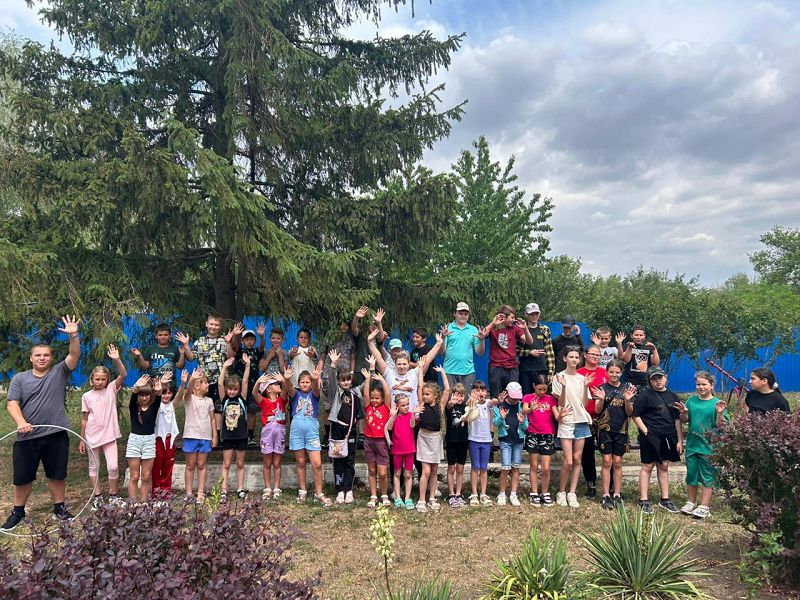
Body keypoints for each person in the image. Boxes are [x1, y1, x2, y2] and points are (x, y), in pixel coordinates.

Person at [3, 315, 81, 531]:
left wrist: (73, 335)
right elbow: (11, 404)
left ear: (51, 357)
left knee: (57, 474)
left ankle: (60, 509)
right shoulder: (19, 378)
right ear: (31, 358)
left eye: (46, 355)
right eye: (38, 355)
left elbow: (74, 354)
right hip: (27, 436)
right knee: (22, 478)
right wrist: (21, 422)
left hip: (56, 434)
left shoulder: (59, 372)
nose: (42, 358)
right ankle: (18, 512)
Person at [79, 344, 127, 509]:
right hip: (92, 436)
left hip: (109, 435)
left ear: (107, 380)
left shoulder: (111, 389)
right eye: (97, 379)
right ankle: (98, 497)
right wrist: (82, 439)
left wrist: (117, 360)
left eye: (103, 379)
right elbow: (84, 419)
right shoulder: (86, 396)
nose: (100, 382)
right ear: (91, 380)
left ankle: (113, 496)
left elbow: (123, 374)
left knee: (113, 466)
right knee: (94, 467)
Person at [677, 371, 729, 519]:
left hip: (709, 447)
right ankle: (690, 502)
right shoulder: (691, 401)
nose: (701, 387)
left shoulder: (717, 404)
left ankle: (704, 506)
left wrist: (719, 414)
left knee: (708, 475)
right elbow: (685, 419)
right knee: (691, 474)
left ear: (712, 385)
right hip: (692, 445)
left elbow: (722, 426)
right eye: (698, 384)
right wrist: (684, 412)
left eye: (704, 384)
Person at [632, 366, 683, 514]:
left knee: (664, 466)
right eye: (654, 379)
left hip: (668, 436)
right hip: (650, 436)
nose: (658, 381)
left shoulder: (673, 396)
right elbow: (635, 415)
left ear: (665, 378)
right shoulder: (645, 395)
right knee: (648, 466)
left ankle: (665, 499)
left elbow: (677, 419)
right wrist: (646, 431)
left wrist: (679, 440)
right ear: (650, 381)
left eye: (660, 377)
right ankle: (643, 499)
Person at [281, 361, 330, 506]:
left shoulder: (314, 395)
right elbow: (289, 388)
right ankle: (302, 490)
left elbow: (315, 388)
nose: (305, 384)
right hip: (297, 431)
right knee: (301, 462)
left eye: (307, 382)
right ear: (299, 383)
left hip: (311, 431)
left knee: (317, 464)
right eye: (302, 382)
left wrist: (315, 379)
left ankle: (319, 492)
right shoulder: (295, 394)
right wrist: (287, 379)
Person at [178, 315, 231, 444]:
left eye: (216, 325)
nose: (213, 327)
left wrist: (229, 343)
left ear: (220, 327)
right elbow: (191, 357)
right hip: (203, 381)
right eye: (211, 324)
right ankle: (202, 434)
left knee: (218, 407)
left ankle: (217, 435)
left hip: (219, 381)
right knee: (202, 406)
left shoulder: (223, 340)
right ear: (206, 324)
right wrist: (186, 345)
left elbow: (230, 356)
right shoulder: (200, 341)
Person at [552, 348, 592, 508]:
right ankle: (561, 492)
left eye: (576, 357)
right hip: (567, 421)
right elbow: (560, 403)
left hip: (581, 421)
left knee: (577, 459)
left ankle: (572, 493)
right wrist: (563, 387)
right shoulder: (559, 377)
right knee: (568, 461)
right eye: (571, 357)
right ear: (565, 359)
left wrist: (586, 387)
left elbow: (585, 404)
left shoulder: (582, 378)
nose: (574, 359)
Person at [591, 360, 635, 510]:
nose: (614, 374)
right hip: (605, 430)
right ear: (607, 372)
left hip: (621, 430)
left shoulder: (627, 389)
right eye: (611, 372)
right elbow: (597, 411)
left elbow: (629, 412)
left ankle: (616, 493)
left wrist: (627, 401)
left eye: (617, 372)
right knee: (606, 462)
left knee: (617, 462)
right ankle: (605, 495)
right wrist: (601, 399)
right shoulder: (601, 388)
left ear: (621, 373)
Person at [325, 349, 366, 504]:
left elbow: (366, 385)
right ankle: (339, 489)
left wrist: (371, 371)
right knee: (338, 460)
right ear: (339, 381)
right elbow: (330, 380)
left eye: (348, 379)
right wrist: (333, 365)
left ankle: (348, 489)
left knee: (350, 460)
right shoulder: (336, 392)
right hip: (337, 429)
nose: (346, 382)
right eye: (342, 380)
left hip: (351, 431)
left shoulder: (355, 392)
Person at [127, 373, 170, 503]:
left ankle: (144, 502)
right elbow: (133, 395)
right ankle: (133, 503)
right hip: (134, 440)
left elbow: (158, 394)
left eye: (146, 395)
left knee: (146, 476)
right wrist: (136, 387)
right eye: (141, 395)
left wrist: (161, 385)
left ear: (150, 396)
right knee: (134, 476)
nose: (144, 398)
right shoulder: (133, 407)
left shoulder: (154, 406)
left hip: (149, 441)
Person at [415, 367, 450, 513]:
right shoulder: (421, 404)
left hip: (435, 439)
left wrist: (442, 373)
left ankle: (431, 498)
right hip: (423, 438)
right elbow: (419, 386)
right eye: (423, 394)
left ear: (435, 396)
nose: (424, 396)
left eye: (427, 394)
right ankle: (421, 499)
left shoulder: (440, 406)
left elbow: (447, 389)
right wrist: (420, 370)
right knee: (426, 470)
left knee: (434, 470)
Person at [218, 356, 251, 502]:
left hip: (241, 436)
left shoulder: (242, 398)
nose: (232, 392)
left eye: (235, 389)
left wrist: (248, 365)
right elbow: (220, 383)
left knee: (240, 464)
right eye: (230, 389)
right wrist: (224, 367)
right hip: (228, 437)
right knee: (226, 464)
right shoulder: (225, 399)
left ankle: (240, 488)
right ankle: (224, 490)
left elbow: (245, 381)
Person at [522, 375, 559, 507]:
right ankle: (534, 493)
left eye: (545, 389)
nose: (542, 392)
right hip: (533, 433)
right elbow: (524, 410)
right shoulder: (528, 397)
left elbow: (556, 415)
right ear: (534, 386)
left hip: (547, 434)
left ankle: (545, 492)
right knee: (533, 465)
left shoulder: (551, 399)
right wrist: (531, 409)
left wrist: (561, 415)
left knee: (546, 468)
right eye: (539, 389)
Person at [577, 345, 608, 499]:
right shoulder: (578, 373)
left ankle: (611, 485)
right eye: (593, 354)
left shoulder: (605, 373)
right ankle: (591, 484)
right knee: (587, 453)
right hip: (585, 418)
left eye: (598, 354)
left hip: (604, 419)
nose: (596, 357)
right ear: (585, 355)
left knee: (607, 453)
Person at [182, 369, 217, 503]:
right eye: (205, 383)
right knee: (190, 465)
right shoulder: (189, 399)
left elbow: (212, 419)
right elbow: (187, 392)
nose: (208, 385)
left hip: (205, 437)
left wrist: (214, 435)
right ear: (196, 386)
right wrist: (191, 379)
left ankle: (201, 492)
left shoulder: (209, 401)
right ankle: (189, 492)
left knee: (202, 464)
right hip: (191, 436)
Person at [361, 358, 392, 508]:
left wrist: (382, 380)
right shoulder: (368, 406)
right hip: (369, 441)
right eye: (373, 398)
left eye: (377, 398)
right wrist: (368, 379)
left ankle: (384, 494)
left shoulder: (386, 407)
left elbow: (388, 393)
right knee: (372, 470)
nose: (374, 400)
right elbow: (366, 395)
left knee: (383, 472)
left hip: (381, 442)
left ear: (382, 398)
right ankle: (373, 495)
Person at [484, 305, 533, 398]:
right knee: (496, 396)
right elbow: (482, 334)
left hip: (512, 368)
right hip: (496, 367)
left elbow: (529, 341)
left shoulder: (515, 329)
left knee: (512, 397)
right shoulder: (494, 328)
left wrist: (525, 328)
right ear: (504, 317)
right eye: (512, 317)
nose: (514, 320)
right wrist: (493, 323)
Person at [440, 302, 486, 398]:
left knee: (467, 400)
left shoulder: (473, 329)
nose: (463, 316)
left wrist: (482, 340)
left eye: (466, 314)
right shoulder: (447, 328)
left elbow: (479, 352)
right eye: (460, 313)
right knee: (450, 400)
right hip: (449, 371)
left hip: (468, 371)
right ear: (454, 314)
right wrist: (443, 338)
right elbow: (441, 352)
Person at [493, 382, 528, 507]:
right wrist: (501, 418)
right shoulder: (500, 406)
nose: (515, 400)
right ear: (507, 393)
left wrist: (522, 422)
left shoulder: (521, 406)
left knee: (516, 467)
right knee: (505, 468)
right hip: (505, 440)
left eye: (517, 397)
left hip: (518, 441)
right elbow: (495, 423)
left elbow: (526, 427)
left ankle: (513, 494)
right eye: (513, 397)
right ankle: (502, 493)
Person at [231, 323, 265, 447]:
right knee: (237, 410)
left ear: (254, 341)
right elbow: (234, 346)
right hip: (239, 387)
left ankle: (250, 435)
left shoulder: (256, 351)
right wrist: (235, 335)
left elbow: (262, 346)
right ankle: (237, 434)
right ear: (242, 341)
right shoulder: (240, 351)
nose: (249, 342)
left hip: (253, 386)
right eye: (246, 339)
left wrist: (262, 336)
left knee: (252, 411)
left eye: (251, 339)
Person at [255, 373, 287, 500]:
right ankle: (267, 488)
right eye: (275, 384)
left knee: (277, 462)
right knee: (267, 462)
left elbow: (286, 390)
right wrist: (258, 382)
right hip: (267, 433)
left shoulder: (282, 400)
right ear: (268, 389)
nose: (278, 385)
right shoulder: (264, 401)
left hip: (280, 432)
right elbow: (254, 393)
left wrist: (283, 381)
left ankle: (277, 488)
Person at [152, 376, 182, 500]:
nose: (166, 396)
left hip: (170, 440)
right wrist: (160, 384)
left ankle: (166, 491)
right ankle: (155, 491)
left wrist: (183, 383)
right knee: (157, 466)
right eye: (164, 393)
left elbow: (179, 394)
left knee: (168, 466)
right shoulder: (157, 404)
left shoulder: (172, 405)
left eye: (169, 393)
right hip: (158, 440)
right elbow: (155, 395)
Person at [466, 381, 493, 506]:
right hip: (474, 439)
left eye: (482, 390)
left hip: (486, 440)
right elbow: (469, 404)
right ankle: (474, 493)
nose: (480, 392)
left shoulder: (488, 403)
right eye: (477, 390)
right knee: (475, 467)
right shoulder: (472, 403)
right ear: (473, 392)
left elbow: (494, 402)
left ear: (486, 392)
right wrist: (473, 399)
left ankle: (483, 493)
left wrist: (498, 400)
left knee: (483, 467)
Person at [517, 302, 555, 394]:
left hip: (542, 368)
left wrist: (551, 372)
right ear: (526, 314)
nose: (534, 316)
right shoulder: (520, 329)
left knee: (542, 395)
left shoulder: (545, 329)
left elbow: (549, 352)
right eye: (531, 314)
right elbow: (516, 351)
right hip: (525, 369)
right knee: (527, 396)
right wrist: (530, 352)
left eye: (536, 314)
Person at [387, 394, 416, 510]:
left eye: (407, 404)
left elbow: (412, 425)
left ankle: (408, 498)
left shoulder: (410, 415)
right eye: (403, 405)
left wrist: (413, 414)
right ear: (397, 406)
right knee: (397, 473)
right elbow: (389, 428)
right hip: (397, 450)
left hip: (409, 450)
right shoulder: (394, 416)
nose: (406, 407)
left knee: (408, 474)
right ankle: (398, 497)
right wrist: (393, 416)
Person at [445, 383, 469, 507]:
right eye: (456, 395)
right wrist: (451, 402)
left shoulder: (466, 407)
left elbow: (473, 410)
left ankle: (458, 493)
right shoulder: (449, 407)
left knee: (460, 469)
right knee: (451, 469)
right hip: (451, 441)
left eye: (461, 395)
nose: (459, 398)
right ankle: (451, 493)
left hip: (463, 441)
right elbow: (448, 406)